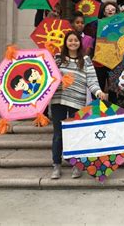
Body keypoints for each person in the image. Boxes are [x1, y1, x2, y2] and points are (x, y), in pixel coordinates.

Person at [50, 31, 107, 179]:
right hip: (58, 100)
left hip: (77, 101)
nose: (73, 43)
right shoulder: (57, 59)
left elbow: (92, 81)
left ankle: (77, 165)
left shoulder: (86, 60)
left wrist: (99, 92)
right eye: (70, 40)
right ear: (66, 42)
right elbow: (49, 78)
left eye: (76, 40)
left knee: (75, 134)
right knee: (58, 135)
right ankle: (56, 165)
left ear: (80, 43)